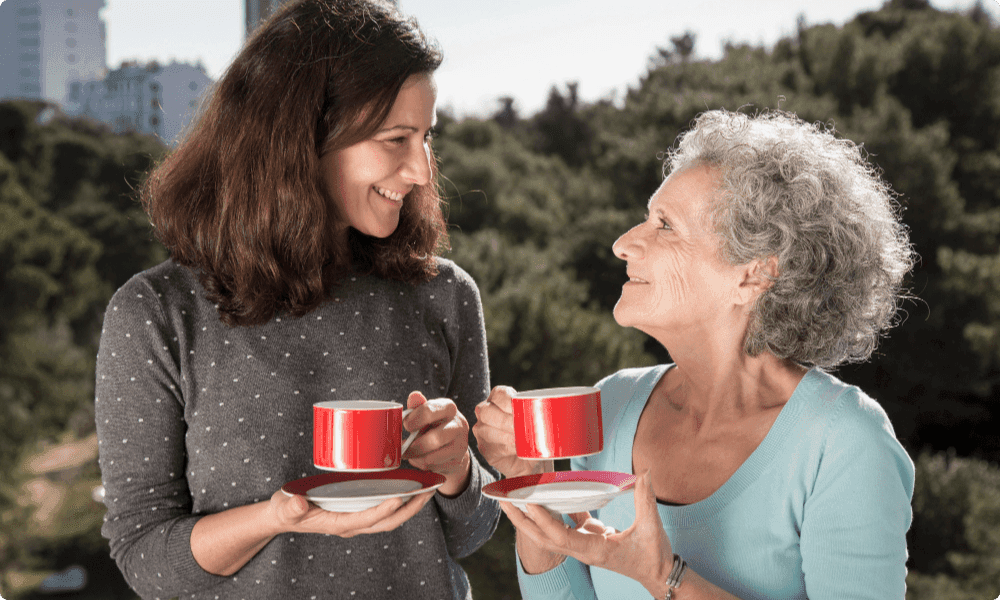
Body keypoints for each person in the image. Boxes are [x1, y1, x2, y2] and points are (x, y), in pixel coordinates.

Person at [94, 1, 500, 598]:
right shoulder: (155, 314)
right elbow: (146, 560)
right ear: (300, 140)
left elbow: (471, 533)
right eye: (396, 139)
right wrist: (278, 517)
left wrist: (459, 473)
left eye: (426, 137)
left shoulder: (443, 294)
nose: (419, 170)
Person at [474, 109, 916, 600]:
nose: (623, 244)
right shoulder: (612, 404)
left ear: (752, 275)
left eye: (665, 226)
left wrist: (665, 577)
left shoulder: (843, 444)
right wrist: (533, 485)